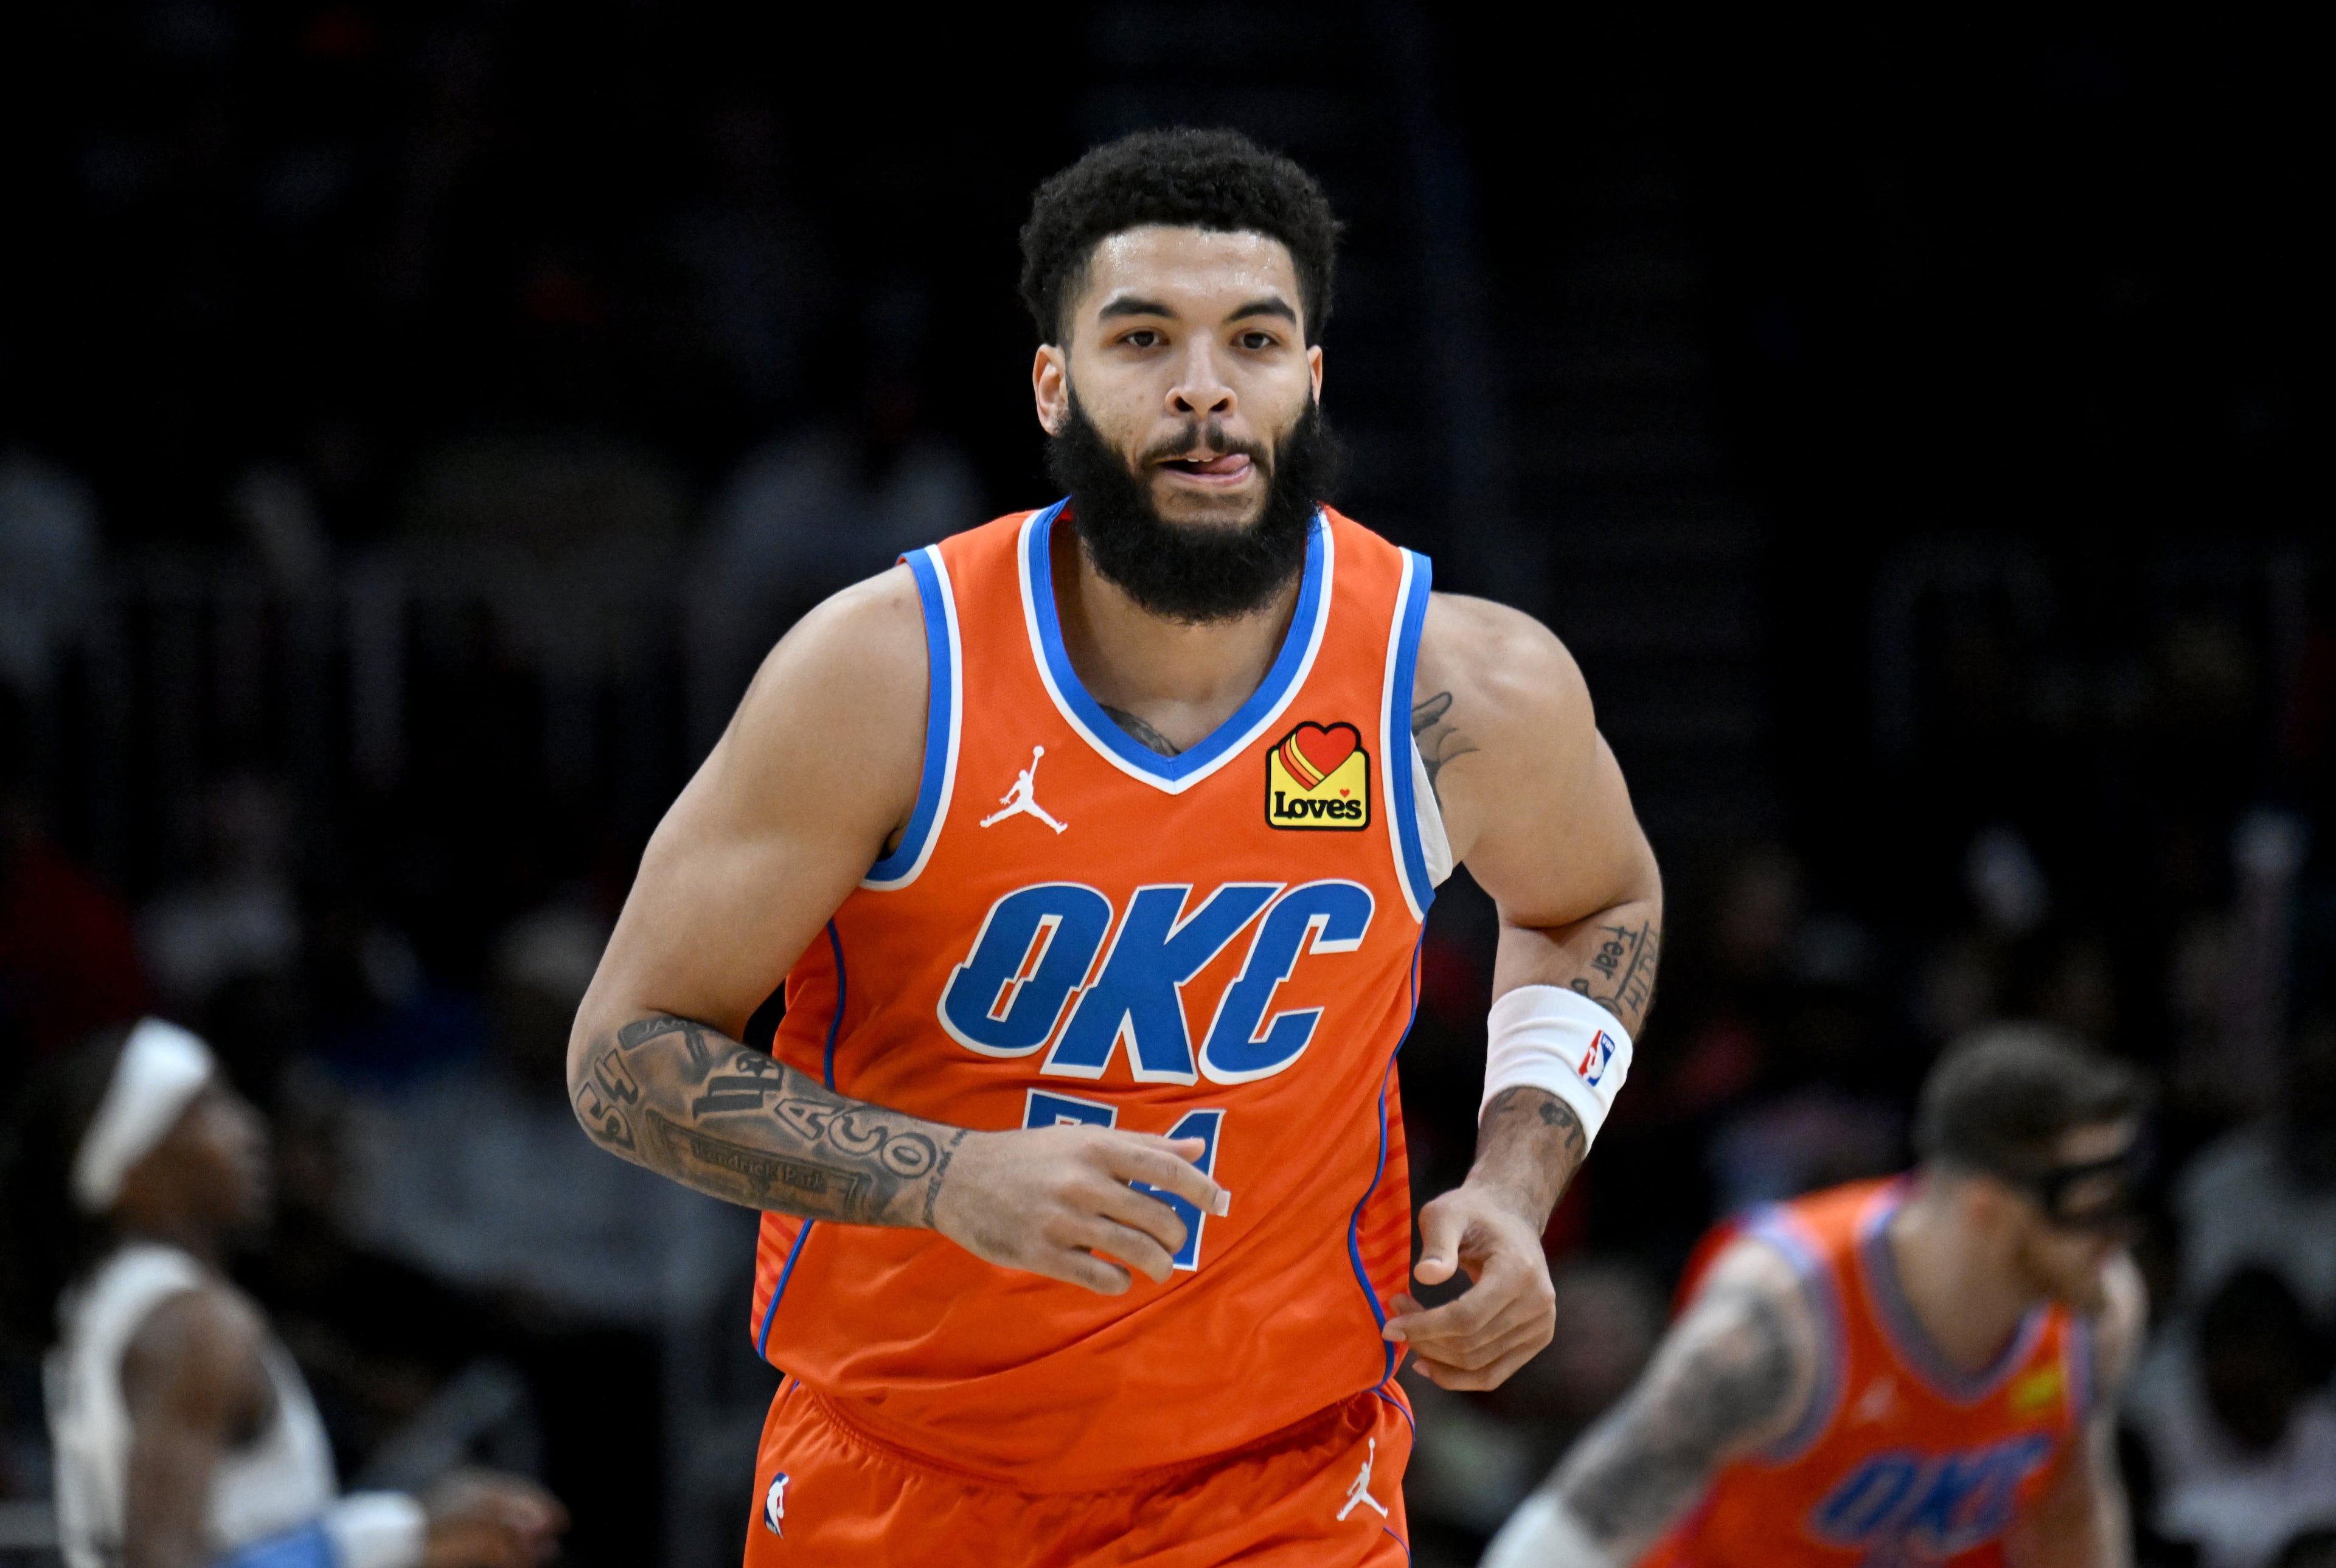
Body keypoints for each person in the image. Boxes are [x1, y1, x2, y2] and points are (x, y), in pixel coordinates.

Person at [569, 127, 1664, 1563]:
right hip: (904, 1475)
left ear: (1309, 380)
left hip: (1280, 1484)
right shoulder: (886, 673)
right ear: (1052, 384)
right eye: (1142, 337)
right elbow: (621, 1055)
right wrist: (948, 1177)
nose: (1202, 386)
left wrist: (1514, 1192)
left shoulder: (1454, 686)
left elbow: (1597, 903)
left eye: (1253, 341)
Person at [1484, 1024, 2149, 1567]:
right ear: (1988, 1208)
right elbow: (1578, 1529)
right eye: (2094, 1203)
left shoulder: (2098, 1313)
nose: (2119, 1232)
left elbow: (2071, 1519)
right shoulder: (1779, 1318)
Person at [0, 1019, 565, 1568]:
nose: (247, 1128)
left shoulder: (109, 1302)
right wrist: (396, 1536)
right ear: (129, 1164)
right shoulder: (191, 1323)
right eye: (206, 1106)